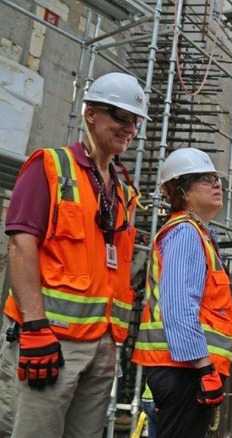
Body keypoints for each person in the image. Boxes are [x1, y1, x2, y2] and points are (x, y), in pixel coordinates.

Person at [0, 72, 146, 437]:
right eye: (121, 116)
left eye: (136, 121)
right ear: (91, 113)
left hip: (101, 345)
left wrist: (111, 344)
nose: (130, 128)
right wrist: (34, 326)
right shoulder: (50, 166)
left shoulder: (125, 192)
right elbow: (20, 244)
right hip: (49, 340)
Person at [132, 147, 232, 438]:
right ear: (183, 191)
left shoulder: (199, 234)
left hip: (187, 369)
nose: (217, 184)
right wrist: (204, 369)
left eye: (217, 179)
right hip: (184, 371)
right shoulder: (185, 233)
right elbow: (179, 307)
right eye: (206, 179)